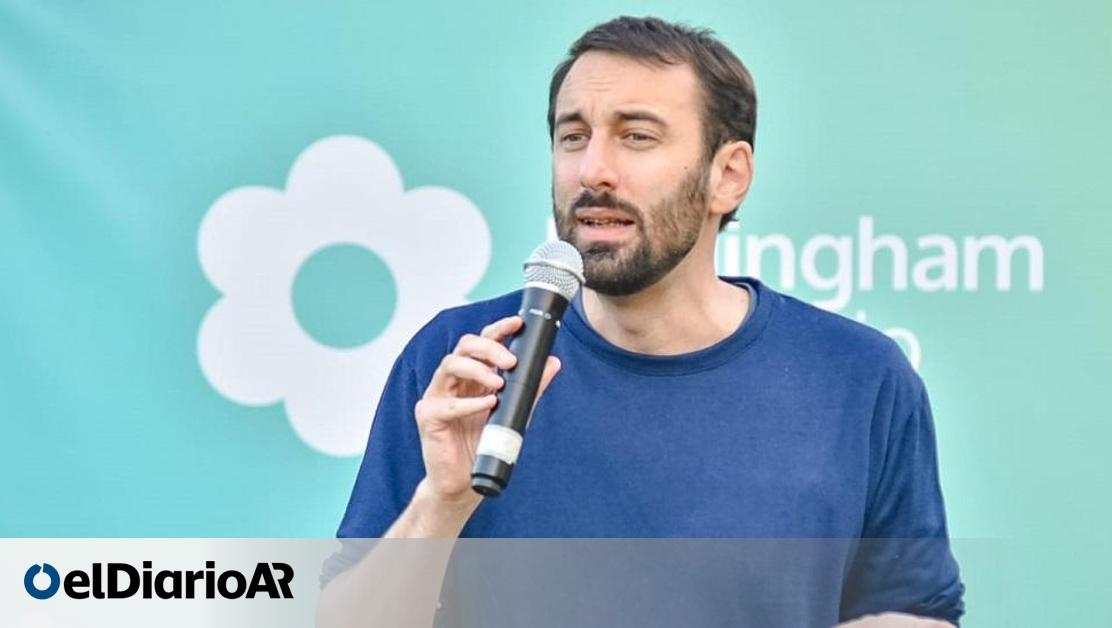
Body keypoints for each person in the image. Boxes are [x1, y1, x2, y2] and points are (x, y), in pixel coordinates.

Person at [320, 16, 964, 627]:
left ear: (728, 176)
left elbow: (905, 609)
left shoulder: (856, 376)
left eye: (637, 136)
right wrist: (442, 503)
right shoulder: (468, 361)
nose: (593, 170)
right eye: (573, 136)